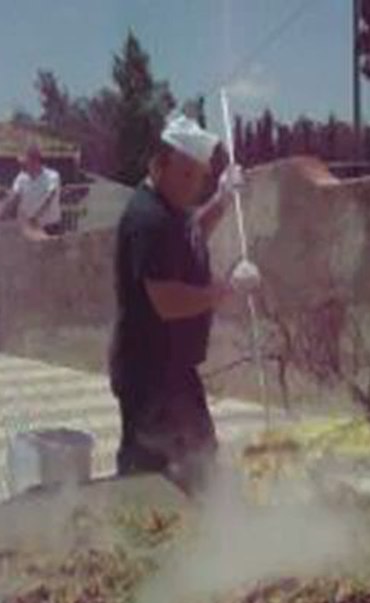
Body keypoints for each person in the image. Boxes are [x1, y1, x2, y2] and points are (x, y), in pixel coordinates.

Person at [109, 113, 258, 495]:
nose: (194, 185)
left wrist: (222, 200)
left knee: (199, 459)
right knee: (152, 476)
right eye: (186, 174)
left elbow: (192, 235)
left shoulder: (170, 209)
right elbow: (168, 302)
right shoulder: (147, 219)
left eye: (200, 176)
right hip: (149, 375)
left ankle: (198, 522)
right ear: (158, 167)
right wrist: (226, 290)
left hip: (174, 368)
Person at [0, 143, 63, 235]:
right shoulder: (20, 178)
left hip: (50, 228)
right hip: (30, 228)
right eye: (21, 164)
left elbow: (48, 199)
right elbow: (13, 197)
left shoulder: (52, 176)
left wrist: (35, 217)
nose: (22, 167)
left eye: (25, 163)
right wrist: (1, 215)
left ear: (35, 160)